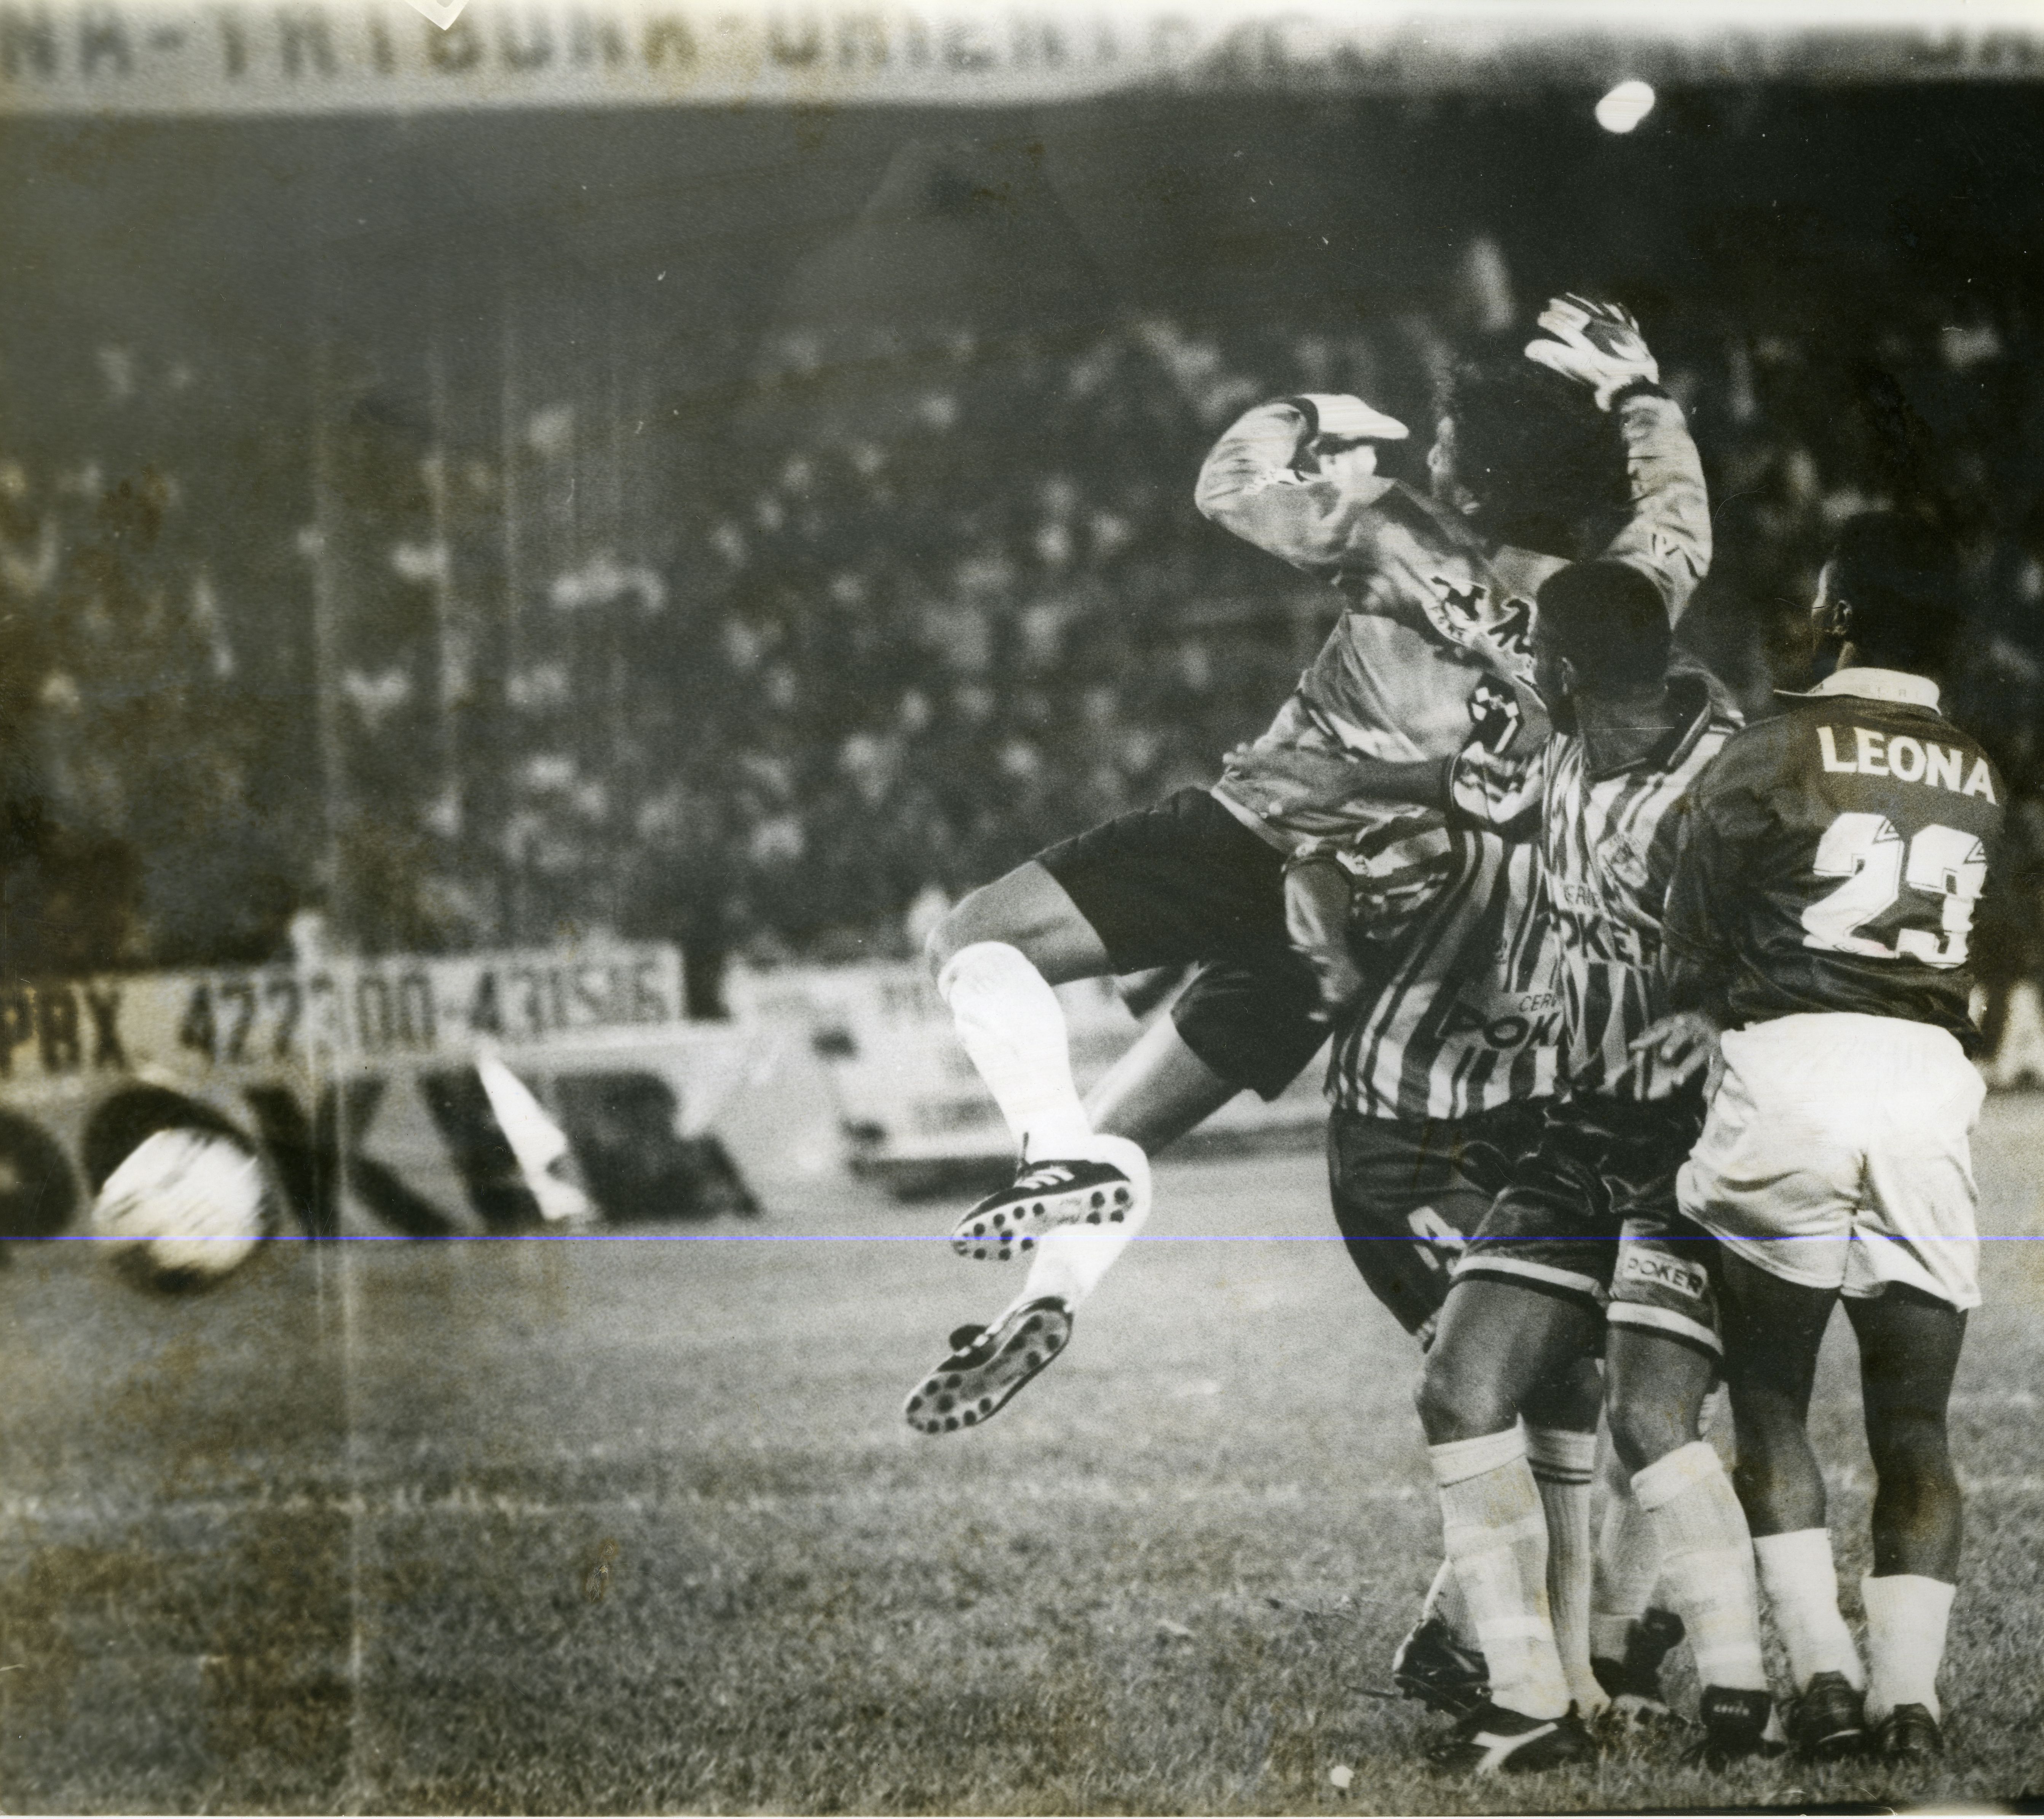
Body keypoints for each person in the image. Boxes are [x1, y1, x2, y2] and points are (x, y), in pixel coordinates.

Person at [905, 297, 1709, 1437]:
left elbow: (1229, 483)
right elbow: (1680, 520)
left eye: (1442, 444)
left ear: (1473, 484)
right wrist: (1641, 397)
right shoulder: (1623, 597)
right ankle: (1047, 1291)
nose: (1427, 456)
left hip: (1269, 832)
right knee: (1122, 1126)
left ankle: (1053, 1165)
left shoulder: (1403, 533)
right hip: (1392, 907)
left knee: (972, 944)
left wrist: (1313, 413)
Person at [1339, 559, 1767, 1771]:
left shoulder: (1724, 782)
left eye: (1536, 653)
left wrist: (1712, 1014)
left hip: (1695, 1142)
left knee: (1655, 1418)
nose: (1522, 668)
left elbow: (1796, 942)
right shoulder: (1568, 746)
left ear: (1566, 670)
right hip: (1578, 1124)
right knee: (1458, 1386)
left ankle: (1733, 1687)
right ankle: (1532, 1701)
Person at [1631, 513, 2003, 1764]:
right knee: (1916, 1428)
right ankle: (1911, 1699)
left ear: (1839, 614)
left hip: (1790, 1064)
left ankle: (1826, 1677)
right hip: (1924, 1083)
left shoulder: (1768, 746)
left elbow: (1684, 949)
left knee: (1772, 1403)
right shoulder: (1976, 770)